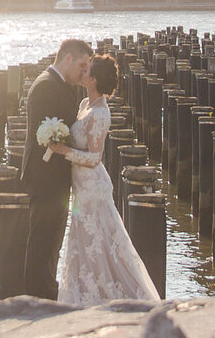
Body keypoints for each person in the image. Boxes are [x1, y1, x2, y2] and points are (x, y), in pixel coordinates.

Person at [48, 53, 162, 305]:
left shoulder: (100, 113)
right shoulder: (83, 106)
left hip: (91, 187)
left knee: (98, 243)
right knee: (84, 242)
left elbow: (95, 158)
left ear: (94, 80)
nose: (83, 73)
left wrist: (63, 151)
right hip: (80, 186)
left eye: (87, 71)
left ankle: (110, 298)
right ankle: (82, 296)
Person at [14, 37, 90, 298]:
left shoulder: (60, 84)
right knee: (42, 242)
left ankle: (45, 293)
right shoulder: (46, 85)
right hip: (45, 177)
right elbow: (43, 135)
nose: (83, 72)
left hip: (55, 178)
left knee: (51, 242)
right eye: (81, 65)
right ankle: (37, 297)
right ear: (67, 58)